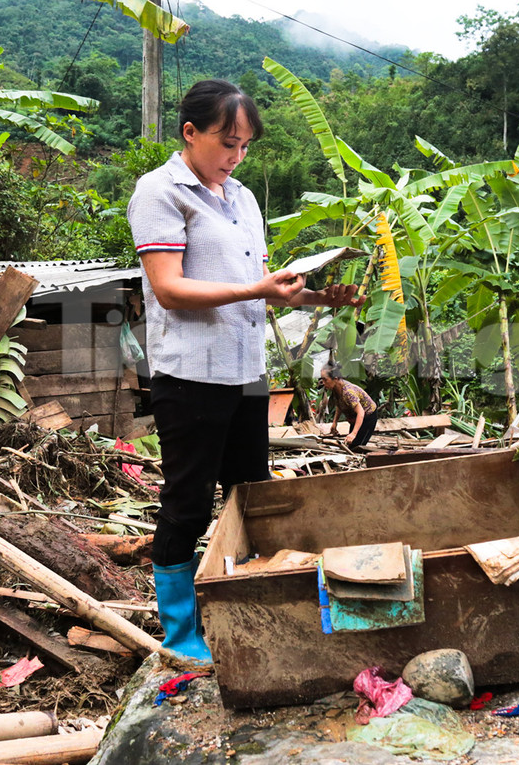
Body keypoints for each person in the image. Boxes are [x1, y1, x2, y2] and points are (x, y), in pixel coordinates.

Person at [127, 79, 363, 667]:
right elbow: (169, 289)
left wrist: (315, 298)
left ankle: (244, 605)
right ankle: (181, 634)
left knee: (248, 494)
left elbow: (260, 296)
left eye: (245, 146)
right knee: (187, 502)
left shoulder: (243, 200)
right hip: (189, 376)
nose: (236, 156)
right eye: (227, 142)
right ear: (190, 133)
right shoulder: (159, 192)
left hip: (243, 371)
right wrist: (258, 287)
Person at [320, 363, 379, 448]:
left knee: (358, 447)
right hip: (356, 417)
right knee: (350, 444)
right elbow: (340, 404)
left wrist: (354, 433)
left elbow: (361, 412)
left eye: (325, 380)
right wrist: (334, 423)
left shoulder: (348, 392)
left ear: (335, 379)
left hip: (367, 416)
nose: (323, 383)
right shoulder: (336, 389)